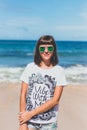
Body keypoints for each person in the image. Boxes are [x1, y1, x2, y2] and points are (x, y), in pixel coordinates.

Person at [18, 35, 67, 130]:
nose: (46, 51)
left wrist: (30, 113)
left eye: (49, 48)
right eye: (42, 48)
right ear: (38, 50)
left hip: (49, 124)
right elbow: (23, 94)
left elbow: (55, 100)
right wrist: (22, 122)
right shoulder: (30, 67)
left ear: (54, 50)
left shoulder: (59, 71)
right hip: (30, 122)